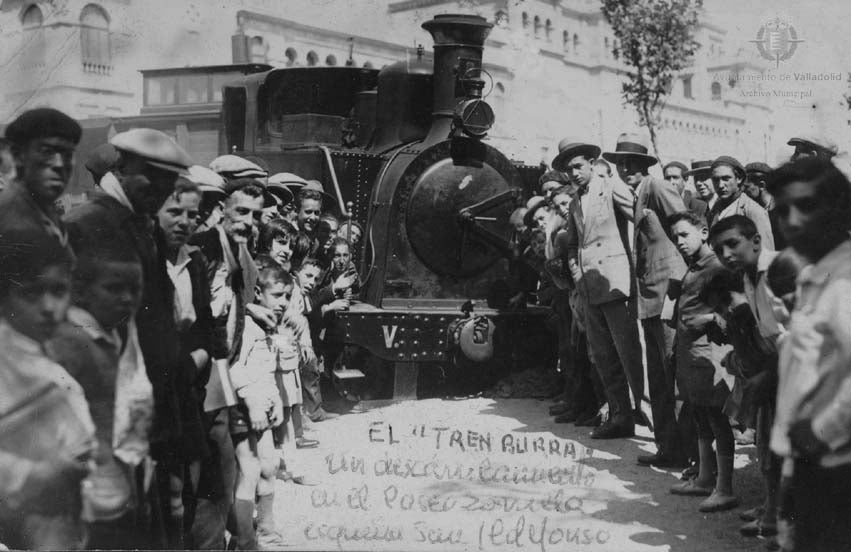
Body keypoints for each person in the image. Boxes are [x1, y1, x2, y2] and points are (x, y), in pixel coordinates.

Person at [64, 128, 200, 548]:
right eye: (152, 180)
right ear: (123, 167)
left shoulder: (138, 224)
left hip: (151, 402)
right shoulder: (87, 225)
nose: (161, 192)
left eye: (167, 183)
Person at [766, 156, 851, 551]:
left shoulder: (844, 282)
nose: (793, 221)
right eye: (783, 210)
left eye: (807, 205)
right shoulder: (816, 275)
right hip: (812, 462)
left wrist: (821, 431)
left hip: (838, 467)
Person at [47, 245, 155, 549]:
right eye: (114, 289)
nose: (127, 298)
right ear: (82, 291)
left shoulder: (118, 331)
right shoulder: (69, 341)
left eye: (134, 289)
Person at [0, 229, 95, 550]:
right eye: (30, 293)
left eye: (59, 291)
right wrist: (33, 474)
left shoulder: (57, 360)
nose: (48, 307)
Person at [188, 178, 265, 549]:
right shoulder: (205, 249)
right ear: (222, 210)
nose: (249, 221)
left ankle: (233, 539)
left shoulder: (237, 250)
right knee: (213, 467)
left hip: (221, 369)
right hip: (200, 371)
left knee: (225, 465)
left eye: (256, 214)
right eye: (242, 211)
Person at [604, 133, 689, 466]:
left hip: (667, 296)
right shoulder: (639, 195)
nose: (626, 169)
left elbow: (684, 230)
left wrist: (677, 289)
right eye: (621, 164)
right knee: (658, 378)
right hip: (650, 299)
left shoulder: (657, 187)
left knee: (674, 377)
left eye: (632, 163)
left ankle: (689, 455)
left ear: (644, 165)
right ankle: (670, 449)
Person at [558, 139, 642, 439]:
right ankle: (620, 417)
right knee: (604, 357)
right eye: (568, 170)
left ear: (592, 164)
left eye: (578, 166)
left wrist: (637, 269)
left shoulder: (612, 187)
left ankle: (655, 424)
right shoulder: (573, 202)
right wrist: (578, 275)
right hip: (589, 288)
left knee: (630, 355)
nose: (574, 174)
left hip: (616, 283)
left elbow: (641, 222)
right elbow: (571, 246)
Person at [709, 215, 785, 539]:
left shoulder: (782, 273)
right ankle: (777, 513)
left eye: (732, 244)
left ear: (756, 241)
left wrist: (768, 373)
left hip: (808, 372)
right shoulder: (748, 278)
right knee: (773, 446)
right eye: (718, 249)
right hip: (779, 369)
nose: (726, 254)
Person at [156, 179, 216, 547]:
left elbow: (207, 327)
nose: (184, 222)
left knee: (182, 489)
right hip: (151, 390)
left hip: (185, 387)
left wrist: (196, 361)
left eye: (192, 215)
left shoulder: (195, 261)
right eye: (174, 212)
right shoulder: (144, 260)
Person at [667, 212, 737, 512]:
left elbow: (733, 313)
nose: (679, 242)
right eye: (675, 237)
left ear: (704, 232)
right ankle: (706, 478)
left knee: (717, 418)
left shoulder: (717, 268)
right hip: (691, 353)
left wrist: (708, 318)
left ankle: (725, 488)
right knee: (700, 414)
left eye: (684, 235)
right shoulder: (694, 267)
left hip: (710, 355)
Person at [227, 261, 294, 550]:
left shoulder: (270, 326)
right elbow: (234, 368)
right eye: (277, 295)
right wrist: (252, 400)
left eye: (288, 296)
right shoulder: (248, 327)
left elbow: (269, 370)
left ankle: (266, 528)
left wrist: (276, 400)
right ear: (258, 293)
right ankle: (244, 540)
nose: (283, 303)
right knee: (249, 471)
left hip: (263, 407)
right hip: (244, 407)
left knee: (270, 466)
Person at [0, 108, 82, 247]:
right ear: (18, 155)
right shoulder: (11, 220)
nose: (59, 164)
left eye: (67, 155)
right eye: (47, 152)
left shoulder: (43, 209)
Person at [706, 156, 775, 250]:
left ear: (738, 179)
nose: (720, 185)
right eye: (715, 180)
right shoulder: (715, 209)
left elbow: (766, 253)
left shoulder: (753, 211)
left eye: (726, 178)